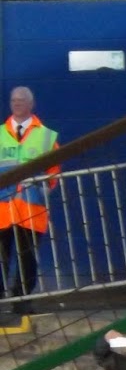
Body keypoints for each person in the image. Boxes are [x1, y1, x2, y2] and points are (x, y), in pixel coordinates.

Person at [0, 86, 59, 301]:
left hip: (31, 209)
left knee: (28, 259)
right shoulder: (0, 133)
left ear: (31, 104)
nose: (17, 103)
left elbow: (53, 172)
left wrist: (42, 191)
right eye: (14, 100)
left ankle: (22, 299)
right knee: (1, 257)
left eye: (22, 100)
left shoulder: (45, 136)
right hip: (2, 209)